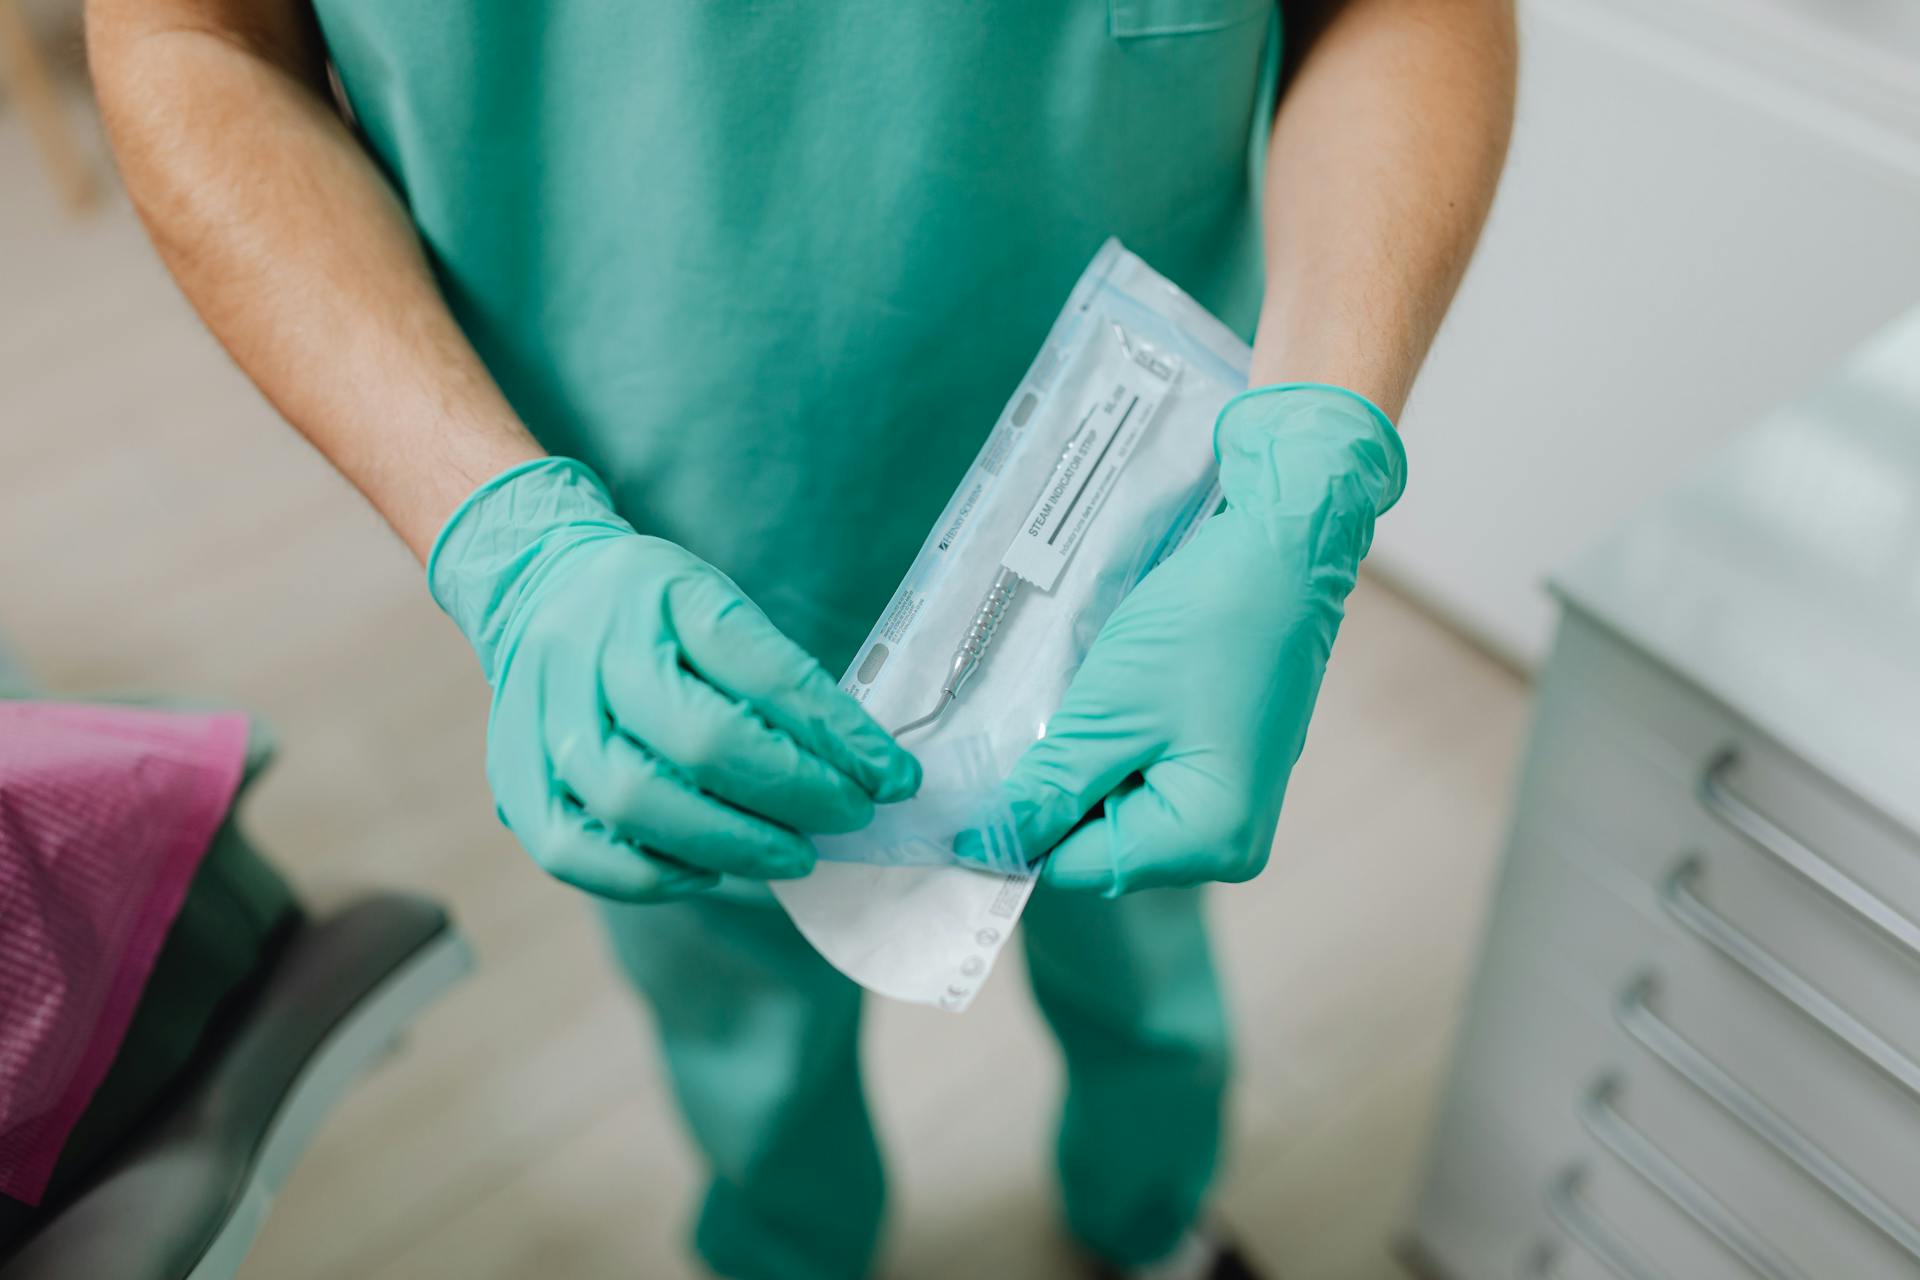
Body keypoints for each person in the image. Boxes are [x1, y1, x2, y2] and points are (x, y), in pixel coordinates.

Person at [87, 2, 1516, 1276]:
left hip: (1130, 548)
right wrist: (504, 542)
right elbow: (192, 37)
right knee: (746, 1044)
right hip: (658, 584)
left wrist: (1311, 459)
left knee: (1141, 950)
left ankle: (1149, 1216)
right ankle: (790, 1248)